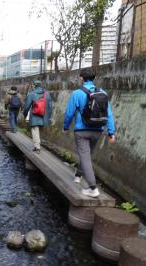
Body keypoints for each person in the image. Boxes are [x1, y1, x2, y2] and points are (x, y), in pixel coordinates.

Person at [63, 68, 115, 198]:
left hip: (82, 130)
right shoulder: (102, 92)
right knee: (87, 155)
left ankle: (93, 188)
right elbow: (109, 114)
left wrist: (65, 127)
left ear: (81, 78)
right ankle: (79, 175)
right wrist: (111, 132)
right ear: (94, 78)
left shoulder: (77, 93)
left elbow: (69, 113)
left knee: (85, 156)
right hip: (98, 130)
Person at [23, 80, 53, 154]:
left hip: (35, 116)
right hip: (44, 116)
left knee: (35, 130)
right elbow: (50, 106)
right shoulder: (47, 94)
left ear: (34, 86)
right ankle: (38, 145)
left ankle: (37, 147)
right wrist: (48, 116)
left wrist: (25, 114)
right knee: (40, 131)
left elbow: (27, 106)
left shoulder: (32, 94)